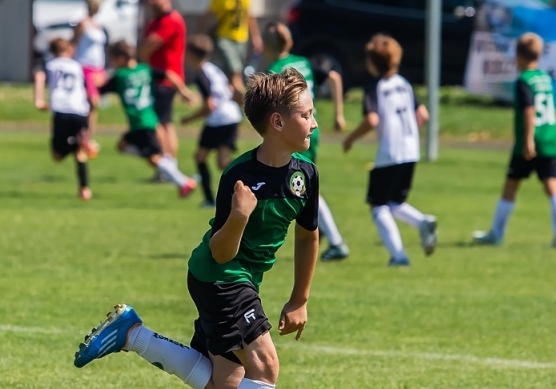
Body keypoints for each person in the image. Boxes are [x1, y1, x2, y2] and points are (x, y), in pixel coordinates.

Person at [73, 70, 320, 389]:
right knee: (266, 368)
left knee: (230, 385)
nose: (314, 123)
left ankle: (133, 334)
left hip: (239, 280)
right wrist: (240, 216)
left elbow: (307, 234)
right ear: (277, 123)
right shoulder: (240, 176)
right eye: (306, 114)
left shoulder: (306, 175)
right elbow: (223, 252)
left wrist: (300, 298)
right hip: (220, 275)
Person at [343, 34, 436, 266]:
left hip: (389, 153)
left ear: (372, 63)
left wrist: (351, 139)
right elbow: (423, 115)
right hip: (410, 150)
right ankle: (422, 222)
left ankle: (399, 256)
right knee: (394, 202)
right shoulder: (404, 84)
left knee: (378, 205)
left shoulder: (376, 88)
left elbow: (372, 120)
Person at [473, 33, 556, 249]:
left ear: (518, 56)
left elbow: (529, 109)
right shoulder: (545, 78)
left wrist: (527, 140)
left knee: (511, 185)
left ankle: (496, 234)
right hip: (549, 140)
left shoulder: (523, 81)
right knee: (553, 184)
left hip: (529, 142)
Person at [262, 22, 350, 261]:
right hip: (312, 128)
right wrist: (339, 113)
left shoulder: (276, 72)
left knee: (300, 185)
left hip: (294, 133)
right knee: (295, 183)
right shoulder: (303, 62)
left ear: (264, 46)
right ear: (289, 43)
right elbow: (334, 76)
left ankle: (336, 241)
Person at [104, 40, 199, 197]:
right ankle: (167, 164)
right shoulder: (145, 70)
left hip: (140, 123)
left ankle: (183, 182)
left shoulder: (119, 76)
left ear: (120, 58)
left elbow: (99, 89)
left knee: (154, 158)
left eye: (113, 59)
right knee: (122, 145)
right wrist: (183, 91)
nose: (113, 63)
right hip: (149, 119)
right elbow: (169, 74)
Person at [182, 35, 243, 208]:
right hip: (231, 116)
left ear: (192, 55)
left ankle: (210, 200)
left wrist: (189, 118)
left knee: (200, 157)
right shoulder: (213, 69)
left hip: (219, 120)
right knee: (223, 162)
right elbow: (229, 89)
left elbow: (210, 105)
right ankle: (247, 180)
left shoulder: (201, 74)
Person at [34, 36, 98, 201]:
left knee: (57, 155)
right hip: (80, 111)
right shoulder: (78, 66)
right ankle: (85, 189)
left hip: (61, 111)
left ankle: (78, 144)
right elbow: (88, 88)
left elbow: (39, 77)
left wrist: (39, 99)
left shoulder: (50, 65)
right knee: (81, 153)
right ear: (68, 49)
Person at [139, 0, 196, 161]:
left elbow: (147, 47)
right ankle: (168, 162)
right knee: (164, 122)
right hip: (157, 77)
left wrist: (140, 52)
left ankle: (167, 163)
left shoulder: (170, 20)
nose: (152, 0)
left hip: (167, 79)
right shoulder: (155, 21)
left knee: (161, 124)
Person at [208, 0, 262, 96]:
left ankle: (231, 97)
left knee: (232, 71)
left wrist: (256, 36)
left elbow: (249, 16)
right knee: (235, 69)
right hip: (224, 36)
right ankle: (243, 98)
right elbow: (210, 14)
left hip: (241, 37)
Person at [73, 0, 110, 100]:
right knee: (91, 99)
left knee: (96, 100)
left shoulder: (98, 25)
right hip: (84, 64)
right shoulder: (82, 23)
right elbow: (74, 42)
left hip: (98, 65)